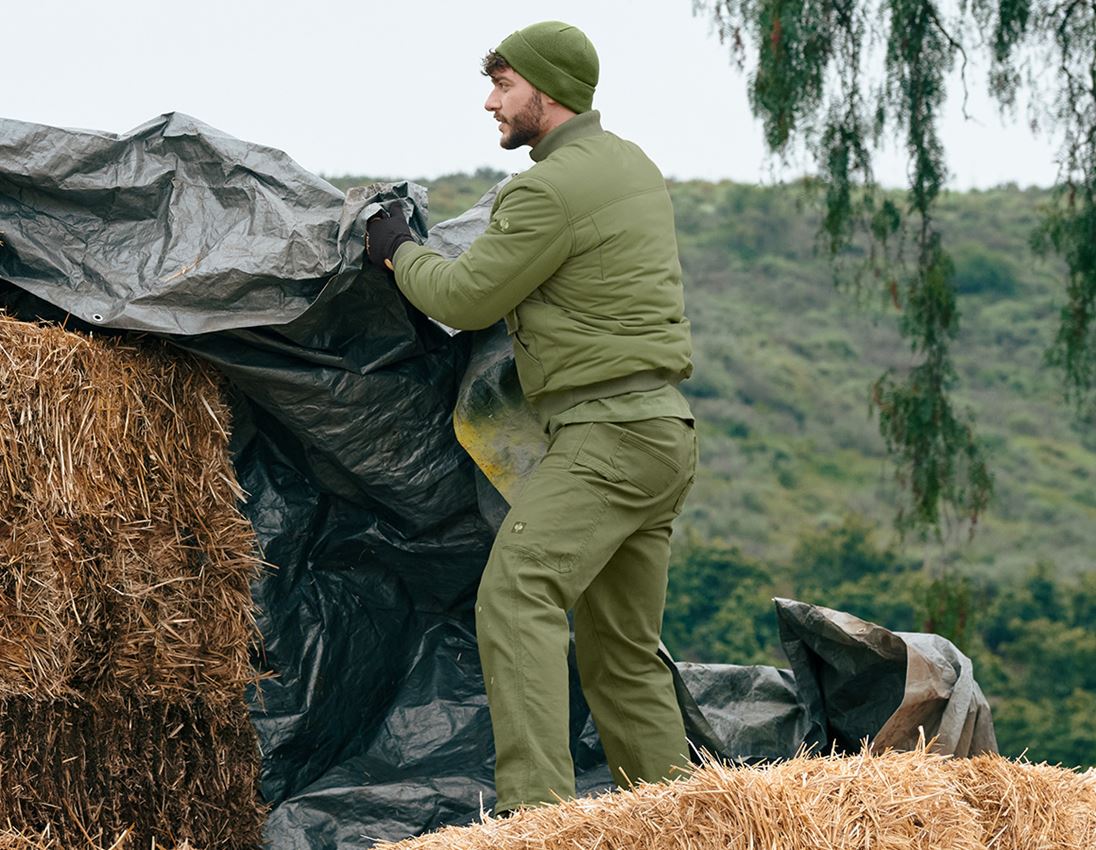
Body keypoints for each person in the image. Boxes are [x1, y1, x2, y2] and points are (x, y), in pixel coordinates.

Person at [365, 20, 697, 814]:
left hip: (605, 436)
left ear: (544, 92)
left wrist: (397, 249)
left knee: (517, 595)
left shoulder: (548, 188)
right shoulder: (630, 166)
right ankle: (684, 819)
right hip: (662, 433)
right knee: (621, 654)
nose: (490, 102)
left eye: (504, 86)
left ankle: (536, 818)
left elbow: (463, 297)